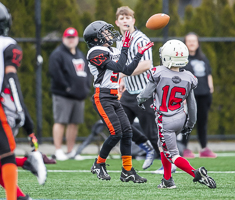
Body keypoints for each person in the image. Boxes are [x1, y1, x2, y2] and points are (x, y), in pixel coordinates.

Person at [137, 39, 216, 189]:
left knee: (172, 154)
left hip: (165, 119)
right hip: (181, 117)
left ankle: (196, 173)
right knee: (162, 147)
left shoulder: (158, 72)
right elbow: (192, 105)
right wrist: (190, 123)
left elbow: (146, 93)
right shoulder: (189, 77)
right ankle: (167, 180)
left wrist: (139, 99)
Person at [83, 20, 153, 182]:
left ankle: (127, 170)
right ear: (95, 38)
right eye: (105, 32)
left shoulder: (112, 49)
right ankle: (99, 164)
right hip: (102, 97)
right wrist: (127, 48)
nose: (109, 34)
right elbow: (118, 67)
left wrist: (139, 53)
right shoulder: (95, 52)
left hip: (114, 97)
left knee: (127, 132)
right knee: (116, 133)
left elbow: (127, 70)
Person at [0, 2, 46, 199]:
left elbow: (10, 79)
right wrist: (23, 116)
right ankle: (19, 194)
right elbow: (11, 80)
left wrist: (21, 113)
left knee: (5, 154)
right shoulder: (8, 45)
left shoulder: (6, 45)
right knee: (5, 155)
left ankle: (15, 197)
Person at [115, 6, 160, 170]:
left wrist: (122, 75)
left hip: (145, 93)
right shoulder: (119, 41)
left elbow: (146, 64)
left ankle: (167, 163)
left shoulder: (141, 39)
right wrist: (122, 81)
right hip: (128, 94)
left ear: (133, 21)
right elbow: (122, 64)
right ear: (117, 22)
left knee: (153, 133)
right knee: (119, 125)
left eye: (128, 17)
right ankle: (146, 149)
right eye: (122, 18)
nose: (125, 20)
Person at [49, 27, 91, 161]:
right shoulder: (58, 54)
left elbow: (87, 73)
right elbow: (55, 73)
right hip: (63, 95)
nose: (71, 40)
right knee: (60, 121)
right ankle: (58, 150)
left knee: (74, 123)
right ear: (63, 39)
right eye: (68, 37)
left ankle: (70, 151)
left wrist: (86, 88)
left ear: (77, 39)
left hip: (79, 96)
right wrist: (67, 88)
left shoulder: (79, 54)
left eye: (73, 38)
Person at [180, 32, 216, 158]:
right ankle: (183, 148)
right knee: (188, 122)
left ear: (198, 43)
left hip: (204, 95)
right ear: (185, 43)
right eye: (189, 40)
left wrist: (210, 88)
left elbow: (209, 74)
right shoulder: (182, 59)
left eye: (194, 41)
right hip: (190, 96)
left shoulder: (203, 58)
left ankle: (204, 148)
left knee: (202, 122)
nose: (191, 43)